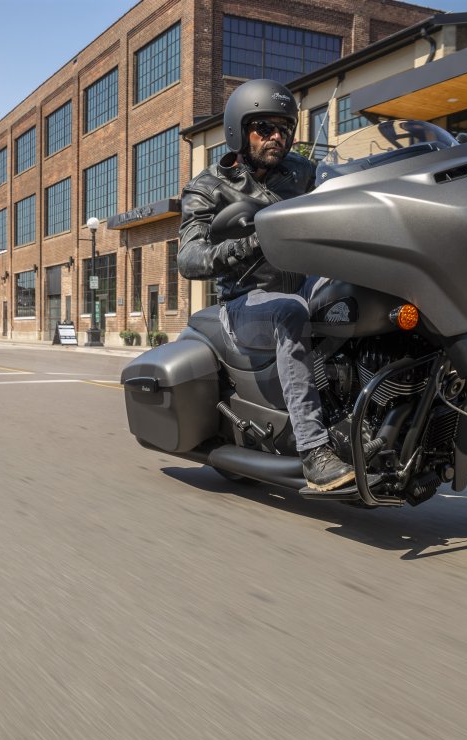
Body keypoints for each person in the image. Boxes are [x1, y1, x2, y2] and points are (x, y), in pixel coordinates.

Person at [177, 78, 354, 492]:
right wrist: (247, 244)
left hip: (307, 282)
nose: (277, 137)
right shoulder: (209, 188)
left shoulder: (305, 173)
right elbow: (189, 258)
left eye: (284, 129)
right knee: (289, 311)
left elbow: (344, 195)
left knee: (363, 293)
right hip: (245, 302)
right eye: (265, 129)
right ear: (240, 131)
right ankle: (314, 451)